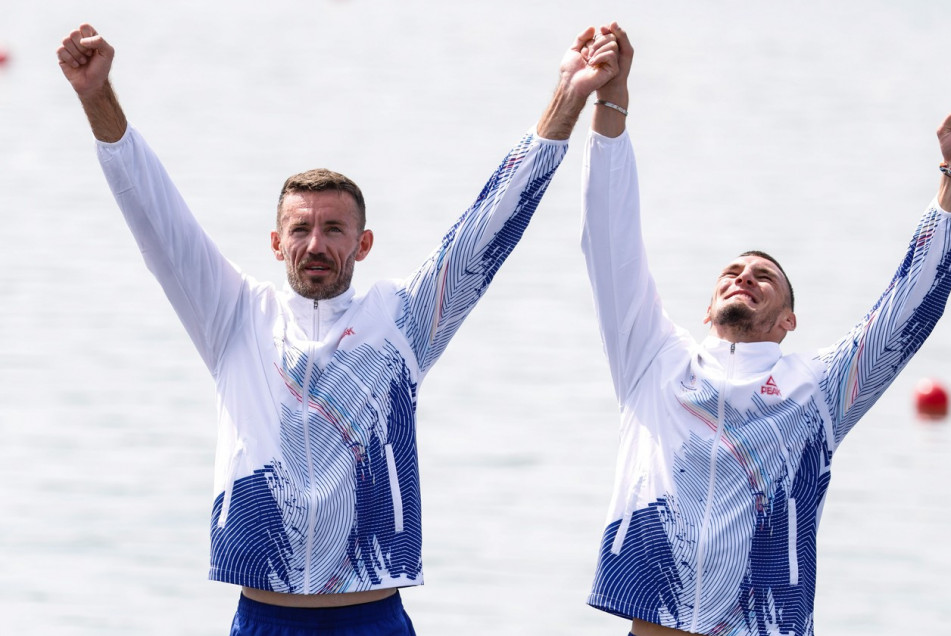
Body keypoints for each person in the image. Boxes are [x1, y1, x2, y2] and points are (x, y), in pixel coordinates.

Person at [57, 22, 619, 636]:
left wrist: (568, 95)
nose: (315, 244)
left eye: (333, 229)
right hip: (263, 617)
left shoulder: (400, 322)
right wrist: (96, 97)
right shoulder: (234, 316)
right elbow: (155, 216)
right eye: (300, 229)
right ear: (277, 243)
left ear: (363, 242)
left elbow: (486, 230)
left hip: (372, 616)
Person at [579, 24, 951, 636]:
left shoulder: (816, 389)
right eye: (732, 271)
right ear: (707, 306)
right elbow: (609, 237)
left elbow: (906, 314)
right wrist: (610, 104)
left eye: (763, 275)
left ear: (788, 321)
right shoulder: (653, 359)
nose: (744, 276)